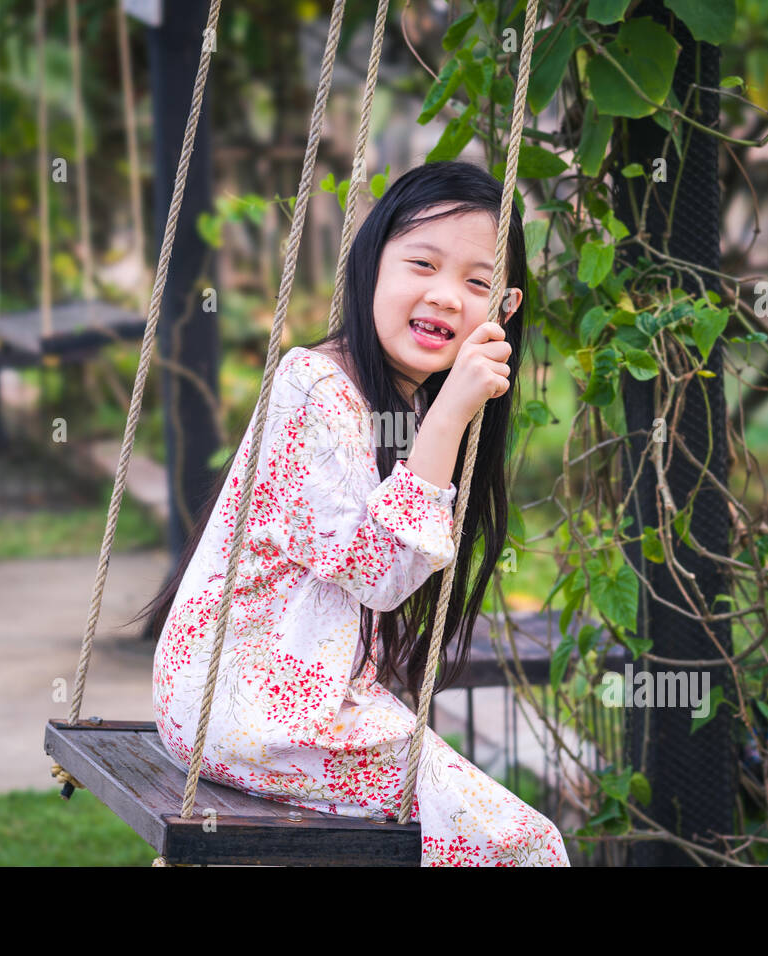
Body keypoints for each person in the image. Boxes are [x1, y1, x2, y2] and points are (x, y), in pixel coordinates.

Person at [133, 160, 569, 866]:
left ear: (505, 311)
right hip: (250, 707)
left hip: (275, 704)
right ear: (371, 265)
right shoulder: (315, 386)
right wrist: (455, 408)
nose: (446, 296)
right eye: (422, 264)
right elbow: (382, 572)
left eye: (477, 284)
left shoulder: (405, 400)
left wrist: (445, 411)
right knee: (523, 847)